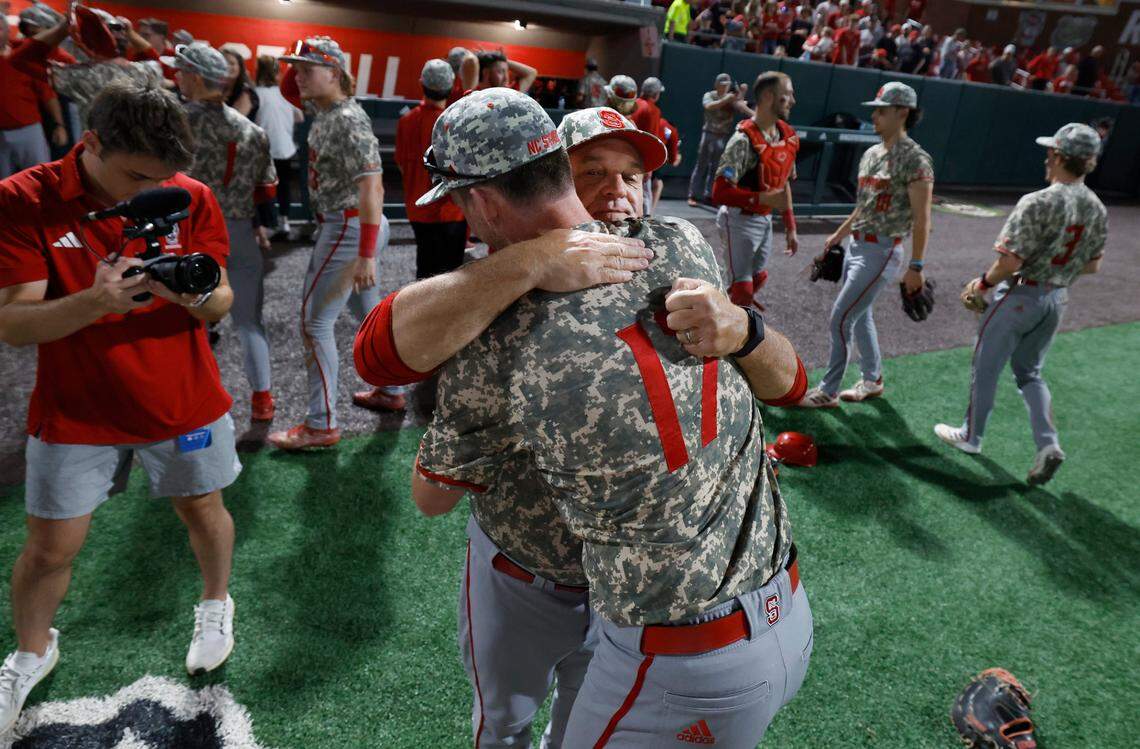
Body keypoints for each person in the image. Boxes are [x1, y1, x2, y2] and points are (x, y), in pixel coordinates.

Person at [405, 87, 812, 748]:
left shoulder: (503, 330)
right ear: (558, 176)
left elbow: (430, 495)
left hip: (657, 625)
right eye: (591, 172)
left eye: (632, 175)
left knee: (530, 721)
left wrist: (745, 331)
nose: (617, 190)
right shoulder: (687, 246)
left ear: (483, 198)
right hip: (722, 600)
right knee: (545, 714)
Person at [0, 82, 241, 734]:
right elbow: (14, 324)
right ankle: (30, 650)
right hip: (77, 406)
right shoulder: (25, 198)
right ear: (93, 141)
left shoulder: (189, 195)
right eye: (136, 176)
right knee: (51, 547)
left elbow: (220, 299)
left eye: (161, 177)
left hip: (181, 397)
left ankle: (216, 602)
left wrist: (184, 293)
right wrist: (94, 303)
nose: (147, 192)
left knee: (203, 509)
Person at [935, 124, 1106, 485]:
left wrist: (981, 284)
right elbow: (1093, 265)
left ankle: (971, 436)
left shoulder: (1038, 201)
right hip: (1057, 299)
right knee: (1030, 373)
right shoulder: (1097, 207)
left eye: (1051, 152)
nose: (1047, 157)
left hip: (1019, 296)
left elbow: (1009, 262)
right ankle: (1048, 444)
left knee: (985, 367)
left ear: (1059, 156)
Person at [268, 36, 400, 451]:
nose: (297, 75)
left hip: (351, 226)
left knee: (315, 322)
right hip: (347, 225)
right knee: (368, 315)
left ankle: (321, 423)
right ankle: (391, 388)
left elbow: (374, 187)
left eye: (308, 68)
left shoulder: (347, 118)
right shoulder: (326, 110)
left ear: (335, 73)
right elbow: (293, 89)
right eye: (297, 67)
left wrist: (365, 255)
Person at [797, 82, 933, 407]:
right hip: (857, 246)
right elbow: (864, 205)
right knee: (861, 315)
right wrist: (838, 234)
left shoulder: (916, 160)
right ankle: (873, 379)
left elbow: (922, 218)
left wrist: (916, 266)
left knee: (840, 317)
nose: (874, 115)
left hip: (883, 251)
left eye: (882, 110)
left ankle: (828, 391)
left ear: (903, 113)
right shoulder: (872, 153)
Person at [169, 42, 279, 421]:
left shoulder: (174, 122)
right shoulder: (251, 130)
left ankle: (191, 401)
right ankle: (262, 399)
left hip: (188, 234)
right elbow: (267, 189)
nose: (177, 77)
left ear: (197, 77)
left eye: (181, 71)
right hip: (240, 231)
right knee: (250, 321)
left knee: (188, 321)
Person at [711, 71, 799, 311]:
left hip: (765, 218)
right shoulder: (742, 141)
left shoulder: (787, 136)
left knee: (758, 278)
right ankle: (717, 341)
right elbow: (719, 193)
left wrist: (790, 226)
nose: (793, 100)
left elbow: (783, 184)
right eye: (787, 94)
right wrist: (761, 197)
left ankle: (722, 305)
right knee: (743, 289)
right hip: (738, 219)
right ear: (769, 97)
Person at [14, 8, 161, 126]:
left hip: (99, 152)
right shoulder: (148, 69)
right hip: (141, 151)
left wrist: (62, 29)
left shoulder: (81, 75)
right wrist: (131, 33)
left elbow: (19, 59)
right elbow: (154, 57)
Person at [396, 59, 467, 280]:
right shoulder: (452, 123)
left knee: (425, 269)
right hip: (450, 213)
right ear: (451, 86)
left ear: (421, 84)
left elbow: (400, 163)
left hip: (417, 208)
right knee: (452, 274)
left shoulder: (406, 120)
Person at [0, 18, 68, 179]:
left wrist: (60, 125)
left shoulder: (24, 57)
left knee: (38, 179)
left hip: (29, 132)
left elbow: (47, 94)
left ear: (8, 31)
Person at [254, 54, 303, 240]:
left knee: (263, 189)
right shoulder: (284, 95)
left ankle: (265, 227)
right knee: (284, 187)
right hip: (286, 148)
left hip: (266, 149)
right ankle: (284, 221)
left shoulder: (256, 94)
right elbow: (300, 117)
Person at [687, 73, 752, 207]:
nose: (724, 88)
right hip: (709, 133)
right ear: (716, 85)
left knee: (716, 168)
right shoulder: (709, 95)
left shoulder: (731, 98)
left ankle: (709, 195)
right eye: (722, 85)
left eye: (727, 86)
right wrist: (726, 99)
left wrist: (742, 94)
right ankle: (692, 195)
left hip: (722, 135)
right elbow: (709, 106)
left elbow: (741, 107)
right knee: (701, 165)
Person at [631, 77, 664, 215]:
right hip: (641, 159)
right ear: (656, 94)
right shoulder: (653, 110)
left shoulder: (633, 104)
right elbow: (652, 139)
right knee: (645, 196)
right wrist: (649, 168)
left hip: (628, 154)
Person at [220, 47, 258, 120]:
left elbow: (235, 121)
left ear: (240, 67)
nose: (227, 66)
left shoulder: (246, 92)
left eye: (232, 63)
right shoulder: (216, 88)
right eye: (224, 62)